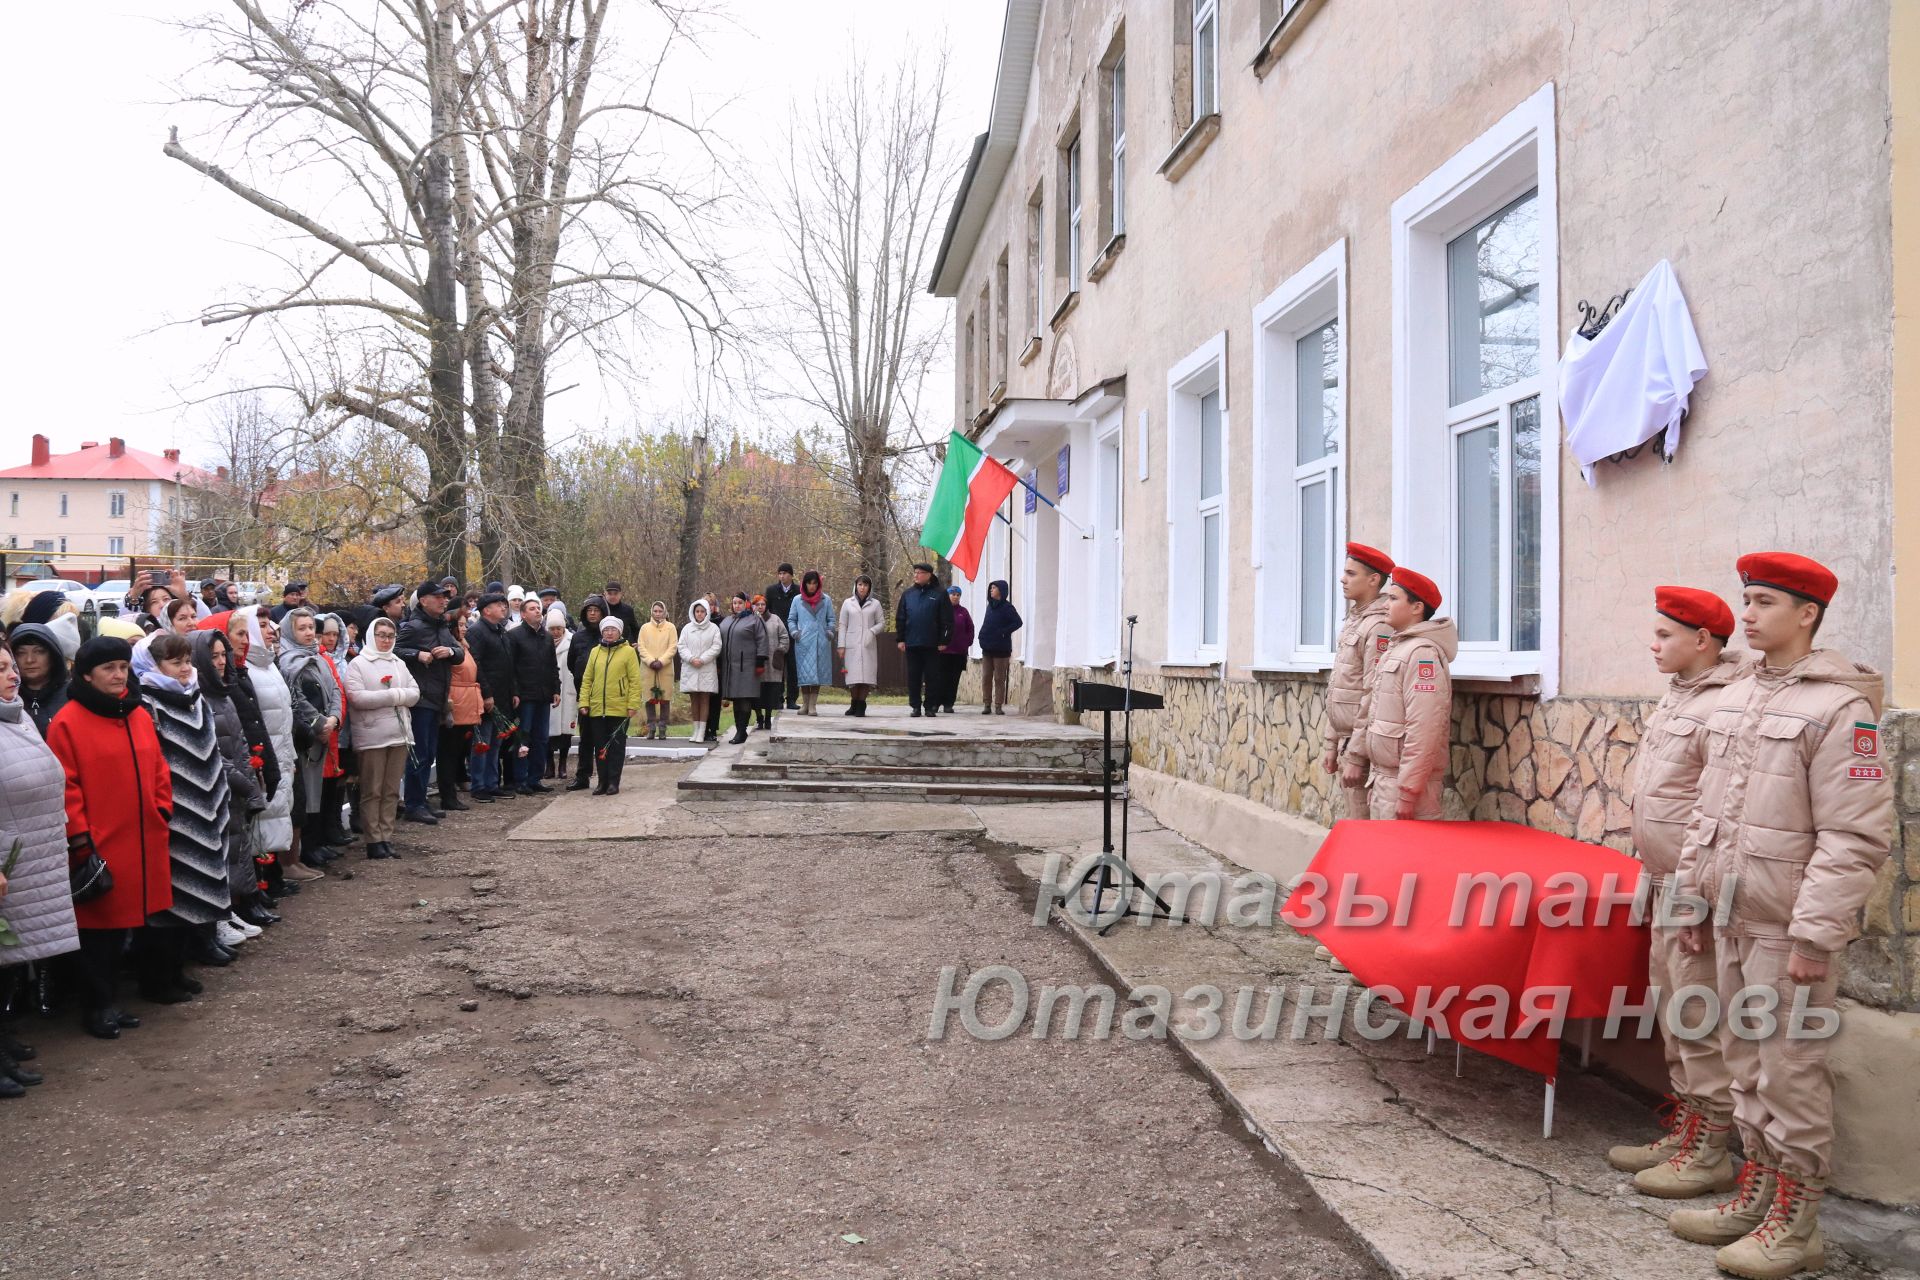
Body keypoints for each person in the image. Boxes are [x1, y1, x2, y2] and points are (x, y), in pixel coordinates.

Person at [1669, 554, 1893, 1277]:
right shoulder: (1732, 699)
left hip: (1785, 931)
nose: (1751, 613)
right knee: (1743, 1064)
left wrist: (1814, 936)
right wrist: (1696, 902)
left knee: (1789, 1072)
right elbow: (1706, 815)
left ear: (1808, 615)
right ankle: (1757, 1195)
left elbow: (1855, 836)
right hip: (1730, 920)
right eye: (1747, 600)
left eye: (1765, 601)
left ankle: (1797, 1227)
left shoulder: (1842, 710)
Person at [1605, 587, 1745, 1196]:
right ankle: (1688, 1128)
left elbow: (1712, 813)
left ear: (1703, 642)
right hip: (1662, 879)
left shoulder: (1724, 705)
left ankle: (1711, 1149)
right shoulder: (1681, 695)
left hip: (1697, 887)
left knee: (1696, 1011)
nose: (1653, 644)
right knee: (1672, 1008)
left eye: (1665, 635)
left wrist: (1692, 890)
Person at [45, 636, 173, 1039]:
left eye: (123, 666)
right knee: (98, 934)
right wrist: (81, 839)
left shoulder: (136, 713)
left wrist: (161, 807)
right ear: (86, 675)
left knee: (123, 929)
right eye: (108, 669)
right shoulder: (68, 721)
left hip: (141, 838)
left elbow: (158, 769)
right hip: (100, 845)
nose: (119, 675)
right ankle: (96, 1006)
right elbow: (66, 786)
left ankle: (110, 1002)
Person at [133, 632, 234, 994]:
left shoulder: (195, 696)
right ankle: (160, 977)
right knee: (171, 896)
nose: (184, 669)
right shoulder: (146, 703)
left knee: (198, 890)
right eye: (175, 662)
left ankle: (182, 964)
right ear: (153, 665)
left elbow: (208, 750)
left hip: (206, 806)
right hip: (174, 812)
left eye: (187, 661)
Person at [0, 637, 79, 1093]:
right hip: (8, 861)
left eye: (12, 665)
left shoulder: (16, 715)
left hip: (30, 858)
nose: (14, 674)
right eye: (3, 668)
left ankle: (4, 1042)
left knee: (8, 962)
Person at [1342, 568, 1456, 822]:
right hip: (1385, 779)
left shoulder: (1422, 654)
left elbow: (1424, 728)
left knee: (1408, 861)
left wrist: (1408, 791)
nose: (1385, 605)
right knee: (1382, 859)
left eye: (1394, 599)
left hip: (1406, 787)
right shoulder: (1399, 648)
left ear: (1416, 608)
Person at [194, 629, 276, 936]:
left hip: (237, 781)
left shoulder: (223, 692)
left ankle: (235, 907)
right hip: (222, 784)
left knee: (239, 846)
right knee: (225, 850)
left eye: (222, 655)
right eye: (212, 656)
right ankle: (220, 917)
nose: (219, 662)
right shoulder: (201, 696)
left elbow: (238, 740)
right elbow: (212, 747)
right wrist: (241, 779)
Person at [1323, 543, 1396, 819]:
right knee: (1354, 823)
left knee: (1363, 828)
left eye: (1351, 573)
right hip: (1347, 742)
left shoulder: (1378, 626)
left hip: (1362, 750)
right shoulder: (1355, 620)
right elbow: (1339, 686)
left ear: (1373, 580)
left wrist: (1355, 756)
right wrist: (1331, 744)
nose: (1343, 579)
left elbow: (1372, 694)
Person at [244, 610, 315, 886]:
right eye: (261, 625)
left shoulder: (268, 664)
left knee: (281, 812)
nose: (270, 630)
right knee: (265, 815)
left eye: (269, 625)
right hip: (265, 753)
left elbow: (285, 709)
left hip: (283, 751)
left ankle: (274, 874)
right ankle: (265, 879)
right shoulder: (250, 668)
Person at [345, 616, 420, 861]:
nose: (386, 640)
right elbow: (358, 698)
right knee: (372, 790)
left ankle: (387, 836)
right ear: (371, 636)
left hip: (399, 734)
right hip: (372, 735)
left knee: (390, 790)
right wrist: (395, 696)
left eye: (390, 635)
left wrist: (394, 695)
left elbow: (415, 693)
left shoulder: (398, 662)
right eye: (382, 635)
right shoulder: (359, 664)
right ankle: (373, 838)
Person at [278, 608, 343, 868]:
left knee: (317, 791)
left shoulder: (317, 657)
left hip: (325, 730)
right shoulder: (287, 661)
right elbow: (296, 698)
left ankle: (314, 844)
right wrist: (319, 724)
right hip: (305, 737)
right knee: (304, 794)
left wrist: (334, 719)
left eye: (309, 627)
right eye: (301, 628)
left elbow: (335, 689)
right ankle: (303, 850)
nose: (308, 633)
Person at [395, 581, 463, 819]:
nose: (445, 601)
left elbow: (460, 653)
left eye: (446, 597)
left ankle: (420, 800)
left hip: (438, 698)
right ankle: (414, 804)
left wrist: (450, 652)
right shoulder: (413, 627)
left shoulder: (442, 627)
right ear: (424, 600)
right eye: (439, 597)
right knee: (420, 753)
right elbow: (394, 651)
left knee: (429, 752)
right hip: (421, 698)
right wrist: (417, 654)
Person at [578, 617, 642, 794]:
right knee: (600, 746)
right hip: (597, 708)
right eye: (606, 630)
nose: (609, 633)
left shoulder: (628, 652)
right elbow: (587, 679)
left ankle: (614, 781)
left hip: (619, 707)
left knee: (616, 746)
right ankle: (602, 782)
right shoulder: (595, 652)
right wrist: (584, 701)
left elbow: (635, 680)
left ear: (619, 631)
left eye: (613, 629)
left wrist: (633, 704)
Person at [465, 592, 517, 804]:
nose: (504, 608)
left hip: (503, 696)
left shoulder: (500, 631)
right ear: (486, 610)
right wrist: (486, 694)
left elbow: (508, 664)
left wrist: (514, 691)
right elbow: (477, 665)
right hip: (487, 697)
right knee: (482, 742)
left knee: (496, 743)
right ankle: (479, 785)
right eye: (498, 605)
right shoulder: (477, 632)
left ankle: (492, 783)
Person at [506, 597, 558, 795]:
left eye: (539, 608)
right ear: (524, 614)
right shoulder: (515, 636)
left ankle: (536, 778)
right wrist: (515, 692)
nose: (538, 611)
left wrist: (556, 689)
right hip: (525, 696)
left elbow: (553, 666)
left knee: (541, 739)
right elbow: (510, 669)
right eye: (532, 609)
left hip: (544, 696)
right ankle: (520, 779)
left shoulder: (546, 637)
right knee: (523, 737)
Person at [313, 615, 356, 846]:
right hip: (327, 728)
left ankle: (335, 823)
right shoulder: (317, 659)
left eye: (334, 634)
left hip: (344, 728)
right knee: (325, 783)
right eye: (326, 634)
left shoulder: (343, 661)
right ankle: (325, 830)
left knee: (341, 779)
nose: (330, 639)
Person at [895, 563, 953, 717]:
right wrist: (900, 639)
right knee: (913, 677)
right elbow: (901, 618)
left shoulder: (940, 593)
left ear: (928, 575)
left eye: (919, 572)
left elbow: (947, 620)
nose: (916, 575)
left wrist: (944, 641)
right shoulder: (908, 594)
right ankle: (915, 706)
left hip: (932, 644)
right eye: (915, 572)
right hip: (912, 643)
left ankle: (930, 706)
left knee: (932, 676)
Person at [442, 596, 484, 808]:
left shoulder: (463, 646)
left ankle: (451, 793)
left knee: (459, 749)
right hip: (455, 703)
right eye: (460, 625)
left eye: (465, 624)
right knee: (449, 752)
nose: (465, 628)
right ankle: (447, 795)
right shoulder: (450, 647)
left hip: (466, 701)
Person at [567, 595, 609, 786]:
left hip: (606, 696)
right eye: (589, 611)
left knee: (604, 738)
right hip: (584, 695)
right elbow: (571, 663)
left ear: (603, 613)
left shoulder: (609, 636)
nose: (592, 614)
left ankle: (606, 777)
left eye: (596, 610)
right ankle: (582, 776)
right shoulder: (578, 637)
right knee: (585, 739)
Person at [717, 593, 768, 745]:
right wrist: (719, 662)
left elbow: (762, 640)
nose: (737, 605)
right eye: (734, 603)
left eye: (740, 602)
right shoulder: (727, 621)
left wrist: (760, 662)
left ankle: (741, 731)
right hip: (730, 667)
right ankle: (739, 730)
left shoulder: (754, 620)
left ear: (746, 603)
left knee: (744, 698)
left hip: (747, 666)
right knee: (736, 699)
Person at [786, 570, 835, 717]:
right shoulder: (797, 600)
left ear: (818, 584)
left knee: (817, 673)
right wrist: (796, 633)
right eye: (809, 583)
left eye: (814, 583)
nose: (812, 586)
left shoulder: (826, 600)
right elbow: (791, 619)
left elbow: (831, 619)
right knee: (804, 673)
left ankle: (813, 705)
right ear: (804, 584)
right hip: (803, 642)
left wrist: (829, 633)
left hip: (821, 641)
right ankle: (805, 704)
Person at [837, 575, 885, 717]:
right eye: (860, 584)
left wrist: (872, 631)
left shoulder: (875, 604)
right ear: (855, 586)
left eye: (865, 585)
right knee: (853, 677)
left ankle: (861, 705)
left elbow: (881, 623)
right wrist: (841, 645)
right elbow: (842, 625)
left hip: (868, 644)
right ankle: (854, 703)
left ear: (869, 587)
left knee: (866, 677)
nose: (862, 587)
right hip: (851, 644)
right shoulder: (847, 603)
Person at [11, 624, 70, 736]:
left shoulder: (73, 695)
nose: (29, 660)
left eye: (39, 651)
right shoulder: (6, 700)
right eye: (21, 653)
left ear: (53, 656)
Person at [677, 600, 721, 743]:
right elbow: (681, 646)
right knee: (694, 700)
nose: (700, 614)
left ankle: (702, 731)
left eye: (702, 611)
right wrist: (691, 659)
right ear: (693, 612)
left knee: (704, 699)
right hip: (691, 668)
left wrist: (702, 659)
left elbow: (716, 647)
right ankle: (695, 730)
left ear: (707, 612)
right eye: (697, 611)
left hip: (706, 668)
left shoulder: (714, 628)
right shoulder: (687, 628)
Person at [975, 580, 1021, 715]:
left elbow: (1018, 622)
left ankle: (998, 705)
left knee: (999, 678)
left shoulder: (1007, 608)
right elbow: (987, 624)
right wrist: (982, 636)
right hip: (987, 648)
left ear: (1001, 590)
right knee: (986, 676)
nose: (991, 590)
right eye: (991, 588)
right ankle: (987, 704)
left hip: (1001, 649)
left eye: (994, 588)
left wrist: (1003, 632)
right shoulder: (990, 606)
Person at [636, 600, 678, 741]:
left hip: (664, 668)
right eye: (655, 611)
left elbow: (673, 647)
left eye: (660, 611)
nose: (658, 614)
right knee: (649, 698)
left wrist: (661, 661)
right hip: (648, 668)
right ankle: (651, 726)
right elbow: (641, 647)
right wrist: (650, 661)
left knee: (665, 699)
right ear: (651, 612)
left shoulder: (670, 627)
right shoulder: (644, 628)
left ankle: (662, 727)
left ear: (664, 612)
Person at [764, 564, 802, 710]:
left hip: (794, 634)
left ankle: (792, 699)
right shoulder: (772, 590)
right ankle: (777, 698)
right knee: (777, 667)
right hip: (776, 635)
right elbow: (767, 610)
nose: (782, 576)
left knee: (793, 668)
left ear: (791, 575)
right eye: (779, 573)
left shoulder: (798, 591)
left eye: (785, 573)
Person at [547, 606, 577, 778]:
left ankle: (563, 765)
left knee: (566, 730)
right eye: (552, 629)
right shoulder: (543, 641)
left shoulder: (571, 641)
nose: (556, 632)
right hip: (550, 690)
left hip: (567, 690)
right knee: (548, 730)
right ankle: (549, 764)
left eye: (559, 628)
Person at [752, 595, 789, 730]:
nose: (760, 607)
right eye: (757, 604)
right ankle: (759, 717)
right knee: (756, 693)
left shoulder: (775, 619)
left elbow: (784, 636)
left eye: (762, 604)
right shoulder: (751, 620)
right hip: (756, 663)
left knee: (770, 693)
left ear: (766, 605)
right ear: (753, 606)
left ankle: (768, 717)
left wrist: (780, 650)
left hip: (773, 662)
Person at [936, 585, 974, 714]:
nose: (955, 597)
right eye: (953, 594)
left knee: (954, 679)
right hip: (942, 651)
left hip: (958, 652)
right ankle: (935, 703)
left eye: (958, 595)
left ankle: (948, 704)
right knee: (940, 678)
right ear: (947, 596)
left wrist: (967, 642)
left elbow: (970, 628)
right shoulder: (940, 610)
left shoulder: (963, 612)